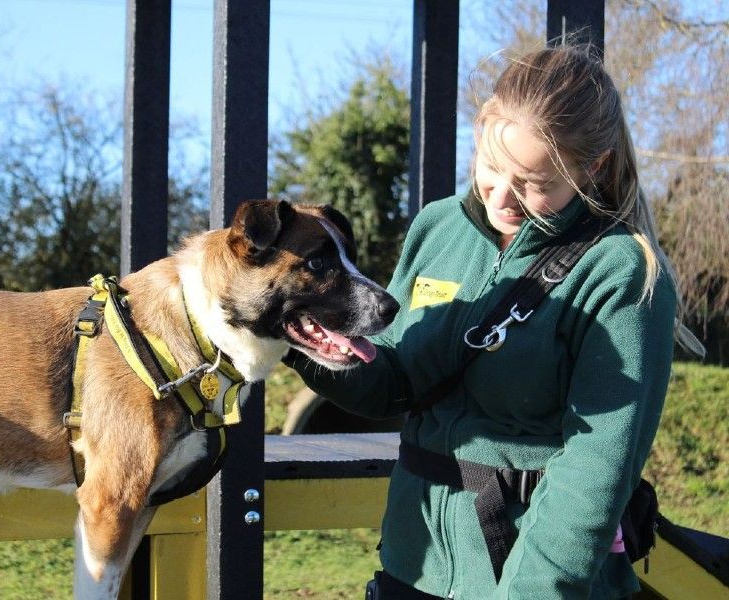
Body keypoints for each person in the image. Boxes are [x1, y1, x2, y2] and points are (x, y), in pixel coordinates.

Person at [285, 44, 703, 599]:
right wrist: (292, 338)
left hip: (530, 577)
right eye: (490, 165)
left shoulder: (621, 271)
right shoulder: (440, 228)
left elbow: (597, 469)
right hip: (415, 566)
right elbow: (394, 385)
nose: (502, 197)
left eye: (534, 183)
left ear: (592, 167)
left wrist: (533, 591)